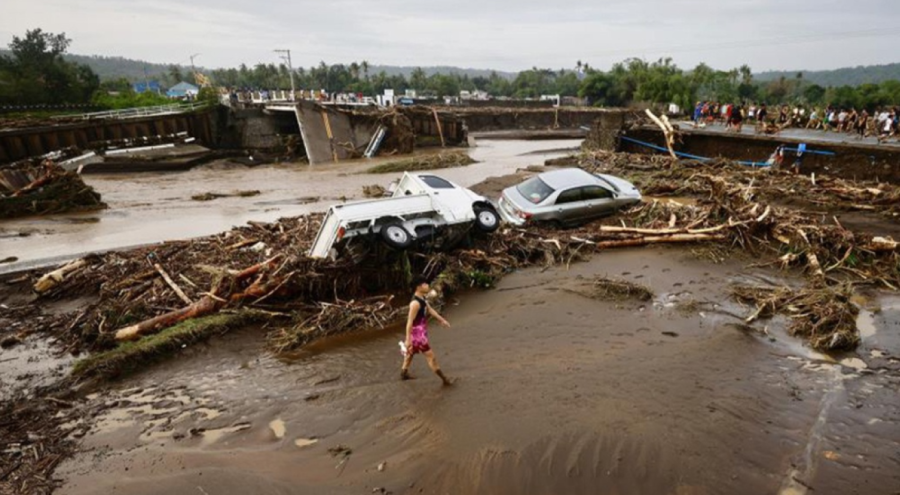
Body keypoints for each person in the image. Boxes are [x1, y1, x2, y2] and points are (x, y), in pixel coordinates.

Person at [401, 276, 454, 386]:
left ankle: (403, 374)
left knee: (410, 353)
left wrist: (442, 320)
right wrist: (408, 339)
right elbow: (409, 322)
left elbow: (430, 309)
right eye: (425, 284)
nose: (427, 285)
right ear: (418, 287)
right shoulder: (415, 303)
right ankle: (445, 379)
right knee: (431, 357)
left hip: (420, 331)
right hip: (417, 335)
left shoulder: (422, 298)